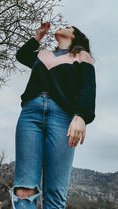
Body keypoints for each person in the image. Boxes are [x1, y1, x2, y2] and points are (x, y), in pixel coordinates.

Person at [9, 22, 96, 209]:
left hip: (62, 117)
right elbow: (22, 55)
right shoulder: (43, 55)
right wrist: (38, 36)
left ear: (75, 36)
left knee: (55, 192)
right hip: (30, 116)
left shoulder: (82, 56)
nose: (61, 26)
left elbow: (88, 88)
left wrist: (81, 116)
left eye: (68, 26)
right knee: (24, 188)